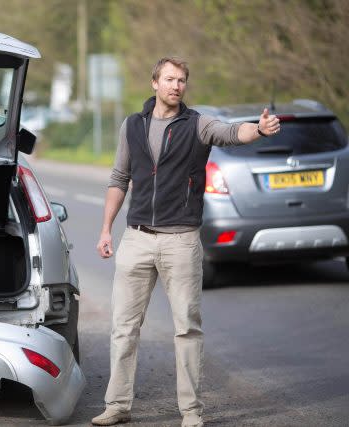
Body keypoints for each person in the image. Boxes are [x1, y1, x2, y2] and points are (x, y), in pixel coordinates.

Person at [91, 57, 281, 427]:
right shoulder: (133, 126)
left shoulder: (198, 125)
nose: (176, 86)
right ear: (154, 83)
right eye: (169, 79)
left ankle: (191, 413)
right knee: (124, 327)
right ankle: (117, 405)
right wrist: (105, 229)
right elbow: (118, 178)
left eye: (181, 81)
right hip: (137, 239)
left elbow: (230, 132)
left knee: (187, 328)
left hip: (181, 241)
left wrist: (257, 129)